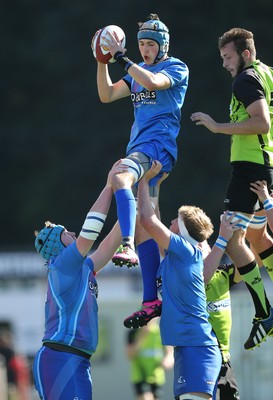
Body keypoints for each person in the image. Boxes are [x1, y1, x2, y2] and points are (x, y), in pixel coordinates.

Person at [92, 13, 189, 325]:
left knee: (119, 176)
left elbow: (153, 82)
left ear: (162, 46)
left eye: (150, 44)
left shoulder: (173, 67)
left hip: (157, 148)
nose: (145, 49)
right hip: (141, 150)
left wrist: (121, 56)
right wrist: (102, 60)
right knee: (149, 222)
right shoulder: (137, 70)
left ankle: (126, 245)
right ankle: (152, 299)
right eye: (141, 44)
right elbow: (106, 95)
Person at [190, 27, 273, 350]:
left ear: (246, 54)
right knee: (257, 237)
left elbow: (261, 122)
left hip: (249, 168)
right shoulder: (267, 73)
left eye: (228, 57)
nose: (224, 64)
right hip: (265, 166)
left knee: (235, 239)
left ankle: (265, 312)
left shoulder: (246, 80)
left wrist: (217, 127)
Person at [136, 161, 244, 400]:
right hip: (186, 347)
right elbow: (152, 219)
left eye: (175, 221)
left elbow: (147, 219)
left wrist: (142, 180)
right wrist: (153, 185)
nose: (170, 223)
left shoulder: (184, 251)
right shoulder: (177, 256)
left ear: (182, 232)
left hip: (198, 347)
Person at [32, 161, 125, 400]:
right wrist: (109, 187)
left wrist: (132, 194)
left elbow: (112, 240)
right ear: (56, 245)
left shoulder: (82, 267)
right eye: (66, 233)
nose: (73, 234)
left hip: (76, 358)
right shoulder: (62, 263)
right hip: (60, 358)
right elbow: (90, 232)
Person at [126, 317, 174, 400]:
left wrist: (167, 361)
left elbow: (170, 353)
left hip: (156, 375)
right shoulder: (133, 332)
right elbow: (130, 355)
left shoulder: (161, 332)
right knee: (145, 397)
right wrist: (142, 336)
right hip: (140, 374)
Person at [0, 330, 31, 400]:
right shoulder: (8, 351)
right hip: (9, 378)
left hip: (12, 379)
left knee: (13, 394)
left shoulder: (10, 351)